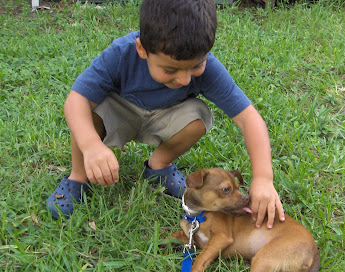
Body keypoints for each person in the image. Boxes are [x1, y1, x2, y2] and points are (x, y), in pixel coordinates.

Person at [47, 0, 285, 229]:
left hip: (163, 117)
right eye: (170, 69)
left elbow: (248, 118)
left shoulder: (210, 68)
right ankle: (77, 177)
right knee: (87, 112)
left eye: (196, 66)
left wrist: (263, 178)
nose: (184, 79)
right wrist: (90, 145)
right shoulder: (120, 54)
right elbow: (75, 101)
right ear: (142, 49)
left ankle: (158, 166)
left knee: (199, 115)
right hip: (119, 114)